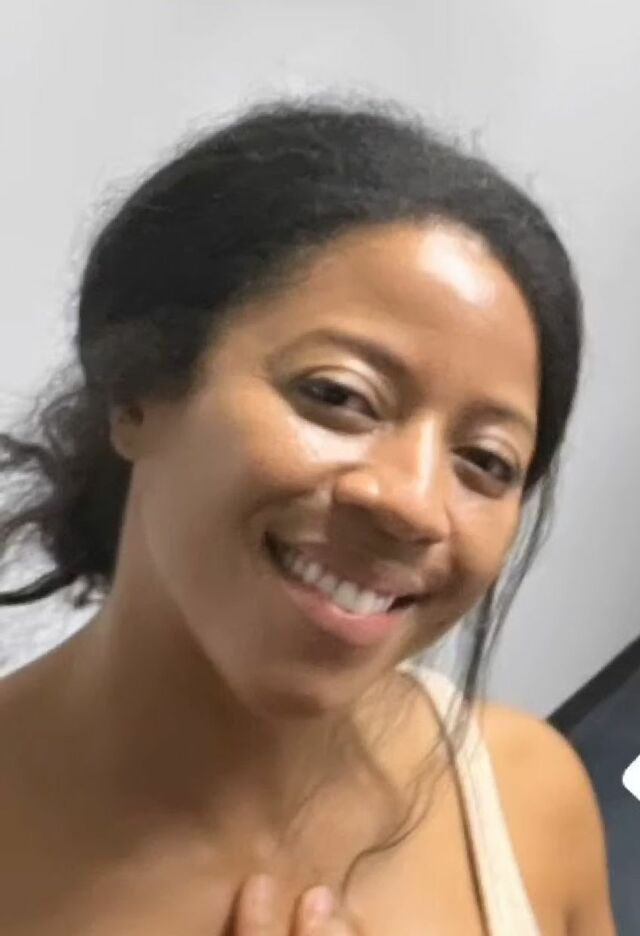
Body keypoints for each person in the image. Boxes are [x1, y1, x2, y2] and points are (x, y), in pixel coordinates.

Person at [0, 99, 616, 936]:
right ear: (137, 392)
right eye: (338, 395)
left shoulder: (529, 796)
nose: (414, 504)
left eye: (486, 460)